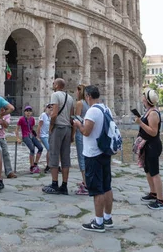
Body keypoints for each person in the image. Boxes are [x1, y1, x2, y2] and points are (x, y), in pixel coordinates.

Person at [72, 85, 114, 232]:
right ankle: (107, 218)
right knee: (107, 186)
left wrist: (78, 124)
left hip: (93, 153)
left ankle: (98, 222)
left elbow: (86, 131)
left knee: (97, 189)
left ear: (88, 96)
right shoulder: (105, 108)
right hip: (104, 151)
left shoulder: (92, 111)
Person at [42, 77, 74, 195]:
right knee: (65, 157)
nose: (52, 84)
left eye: (54, 83)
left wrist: (50, 126)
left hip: (58, 127)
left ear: (56, 86)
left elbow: (54, 113)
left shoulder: (55, 95)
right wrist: (72, 133)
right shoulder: (70, 98)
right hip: (67, 128)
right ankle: (64, 185)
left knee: (54, 155)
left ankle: (54, 183)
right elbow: (71, 116)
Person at [135, 88, 163, 210]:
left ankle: (160, 200)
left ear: (147, 99)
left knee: (155, 173)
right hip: (147, 145)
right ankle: (153, 193)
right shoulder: (148, 111)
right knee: (148, 170)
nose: (142, 98)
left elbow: (153, 132)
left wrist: (140, 124)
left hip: (153, 145)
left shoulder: (153, 113)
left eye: (143, 96)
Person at [15, 106, 43, 173]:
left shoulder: (32, 119)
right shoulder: (21, 119)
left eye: (30, 111)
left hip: (31, 135)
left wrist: (36, 137)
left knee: (40, 147)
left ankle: (35, 163)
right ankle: (32, 166)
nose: (28, 113)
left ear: (31, 112)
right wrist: (18, 138)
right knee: (32, 149)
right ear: (24, 112)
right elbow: (17, 129)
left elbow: (32, 129)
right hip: (25, 136)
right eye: (27, 111)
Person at [74, 84, 89, 195]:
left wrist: (72, 133)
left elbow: (77, 119)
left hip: (80, 132)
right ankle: (88, 181)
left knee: (81, 157)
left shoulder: (80, 103)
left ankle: (85, 183)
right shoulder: (89, 103)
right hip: (88, 132)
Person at [0, 107, 17, 179]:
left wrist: (2, 117)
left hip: (2, 136)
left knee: (6, 152)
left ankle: (9, 172)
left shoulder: (7, 115)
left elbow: (6, 125)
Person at [37, 103, 52, 173]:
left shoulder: (50, 116)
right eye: (49, 107)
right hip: (43, 135)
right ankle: (48, 165)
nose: (50, 108)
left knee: (50, 150)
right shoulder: (43, 115)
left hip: (48, 135)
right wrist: (38, 136)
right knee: (49, 149)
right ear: (46, 108)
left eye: (51, 107)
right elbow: (39, 126)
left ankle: (49, 165)